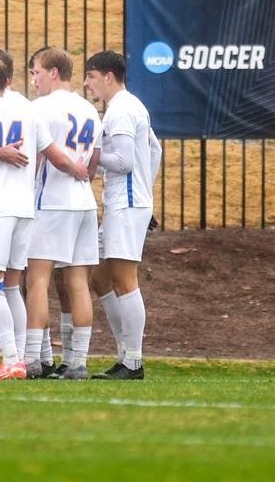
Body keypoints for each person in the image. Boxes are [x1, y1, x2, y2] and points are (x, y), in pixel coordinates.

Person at [0, 55, 88, 381]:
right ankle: (24, 361)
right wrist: (79, 171)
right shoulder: (28, 112)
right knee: (13, 285)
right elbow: (56, 156)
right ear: (7, 82)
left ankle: (12, 360)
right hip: (25, 209)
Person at [83, 50, 162, 380]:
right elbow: (155, 149)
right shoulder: (129, 106)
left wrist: (92, 156)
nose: (87, 84)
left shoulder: (121, 111)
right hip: (128, 201)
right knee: (100, 277)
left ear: (108, 76)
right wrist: (148, 191)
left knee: (124, 280)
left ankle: (133, 361)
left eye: (91, 76)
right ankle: (125, 355)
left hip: (127, 203)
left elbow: (125, 162)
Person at [25, 47, 102, 380]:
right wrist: (81, 171)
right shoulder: (89, 108)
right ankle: (77, 362)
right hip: (84, 201)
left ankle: (33, 359)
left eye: (36, 72)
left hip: (52, 200)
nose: (34, 80)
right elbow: (95, 161)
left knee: (37, 279)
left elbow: (40, 155)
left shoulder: (41, 108)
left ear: (54, 72)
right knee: (78, 282)